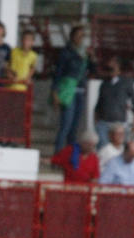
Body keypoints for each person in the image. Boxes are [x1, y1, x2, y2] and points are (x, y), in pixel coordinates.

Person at [51, 25, 95, 153]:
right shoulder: (66, 52)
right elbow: (58, 73)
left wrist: (91, 59)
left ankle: (70, 156)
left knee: (74, 127)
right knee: (66, 125)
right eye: (78, 35)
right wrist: (55, 92)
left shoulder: (84, 53)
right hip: (68, 91)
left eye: (82, 36)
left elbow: (92, 71)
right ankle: (58, 154)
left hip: (80, 91)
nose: (80, 38)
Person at [93, 56, 134, 150]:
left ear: (118, 68)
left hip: (119, 124)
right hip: (103, 123)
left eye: (112, 68)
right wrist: (96, 124)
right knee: (103, 150)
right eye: (109, 69)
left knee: (118, 150)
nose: (110, 70)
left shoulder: (127, 82)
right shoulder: (104, 83)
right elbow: (98, 105)